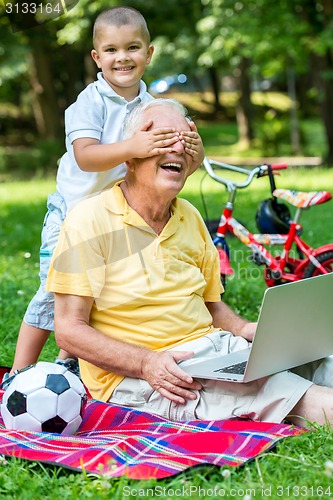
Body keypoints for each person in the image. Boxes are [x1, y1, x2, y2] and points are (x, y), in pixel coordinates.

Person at [46, 98, 333, 428]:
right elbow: (68, 330)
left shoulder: (189, 217)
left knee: (322, 362)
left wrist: (245, 330)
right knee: (290, 393)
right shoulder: (89, 220)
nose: (177, 149)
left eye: (186, 141)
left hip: (215, 352)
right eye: (163, 139)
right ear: (130, 158)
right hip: (147, 377)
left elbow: (211, 306)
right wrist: (146, 363)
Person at [2, 7, 204, 387]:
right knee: (53, 293)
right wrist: (133, 145)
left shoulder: (151, 106)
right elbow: (86, 156)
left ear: (149, 53)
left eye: (132, 48)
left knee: (94, 296)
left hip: (114, 214)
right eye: (111, 50)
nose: (122, 57)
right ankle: (16, 373)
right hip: (71, 213)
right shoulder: (89, 102)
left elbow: (183, 162)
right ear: (97, 57)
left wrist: (196, 149)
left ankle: (68, 365)